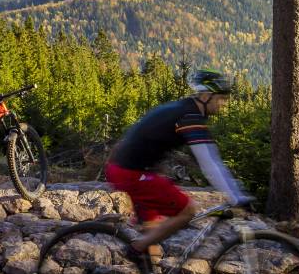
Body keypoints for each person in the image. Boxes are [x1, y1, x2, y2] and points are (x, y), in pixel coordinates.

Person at [106, 69, 252, 262]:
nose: (224, 103)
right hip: (131, 173)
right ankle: (135, 249)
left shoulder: (183, 108)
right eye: (221, 98)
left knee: (154, 233)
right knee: (188, 211)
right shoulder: (190, 116)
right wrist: (235, 196)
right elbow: (210, 163)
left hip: (124, 168)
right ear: (207, 96)